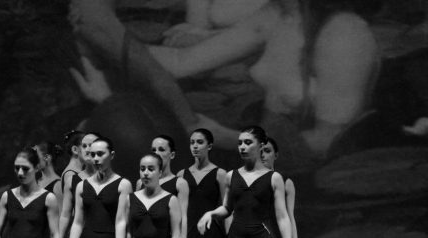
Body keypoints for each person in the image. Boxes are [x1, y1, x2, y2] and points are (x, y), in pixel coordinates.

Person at [69, 0, 380, 174]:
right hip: (254, 160)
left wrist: (229, 139)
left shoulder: (345, 35)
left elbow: (327, 144)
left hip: (307, 183)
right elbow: (181, 61)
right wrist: (103, 40)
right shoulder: (280, 15)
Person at [135, 135, 189, 238]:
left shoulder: (179, 184)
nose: (156, 153)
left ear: (172, 155)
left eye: (161, 149)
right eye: (153, 150)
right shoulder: (141, 183)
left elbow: (182, 220)